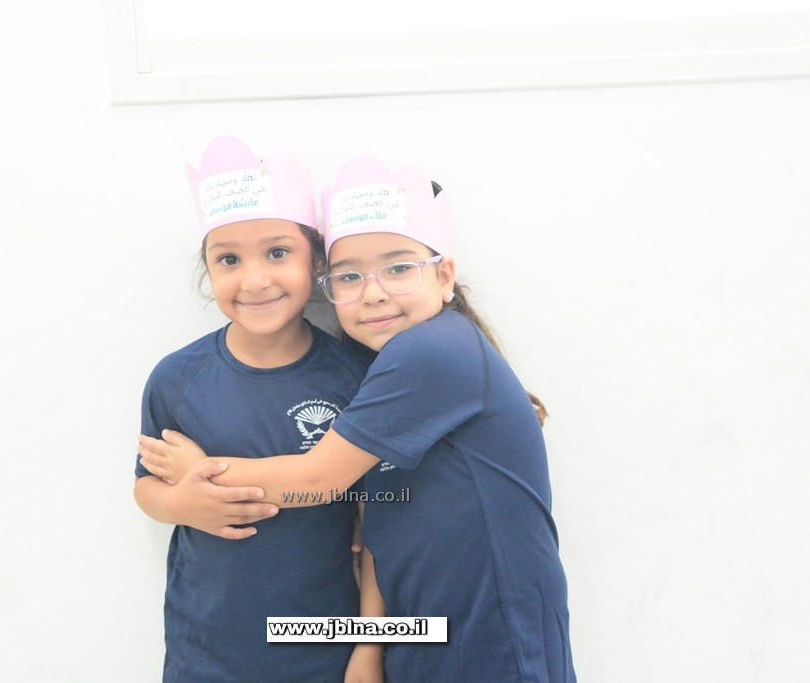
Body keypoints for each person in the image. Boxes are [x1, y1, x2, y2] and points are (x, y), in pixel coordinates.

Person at [140, 153, 577, 681]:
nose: (373, 292)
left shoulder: (429, 351)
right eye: (350, 276)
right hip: (421, 626)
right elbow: (375, 515)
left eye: (399, 268)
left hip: (491, 630)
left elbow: (319, 478)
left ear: (445, 276)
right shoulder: (385, 367)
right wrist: (372, 643)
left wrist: (199, 473)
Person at [133, 136, 375, 682]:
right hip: (207, 651)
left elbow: (380, 521)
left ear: (316, 261)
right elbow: (146, 487)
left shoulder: (356, 377)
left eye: (277, 253)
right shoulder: (177, 379)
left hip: (323, 650)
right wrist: (182, 504)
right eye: (228, 259)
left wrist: (369, 645)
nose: (255, 279)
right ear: (209, 270)